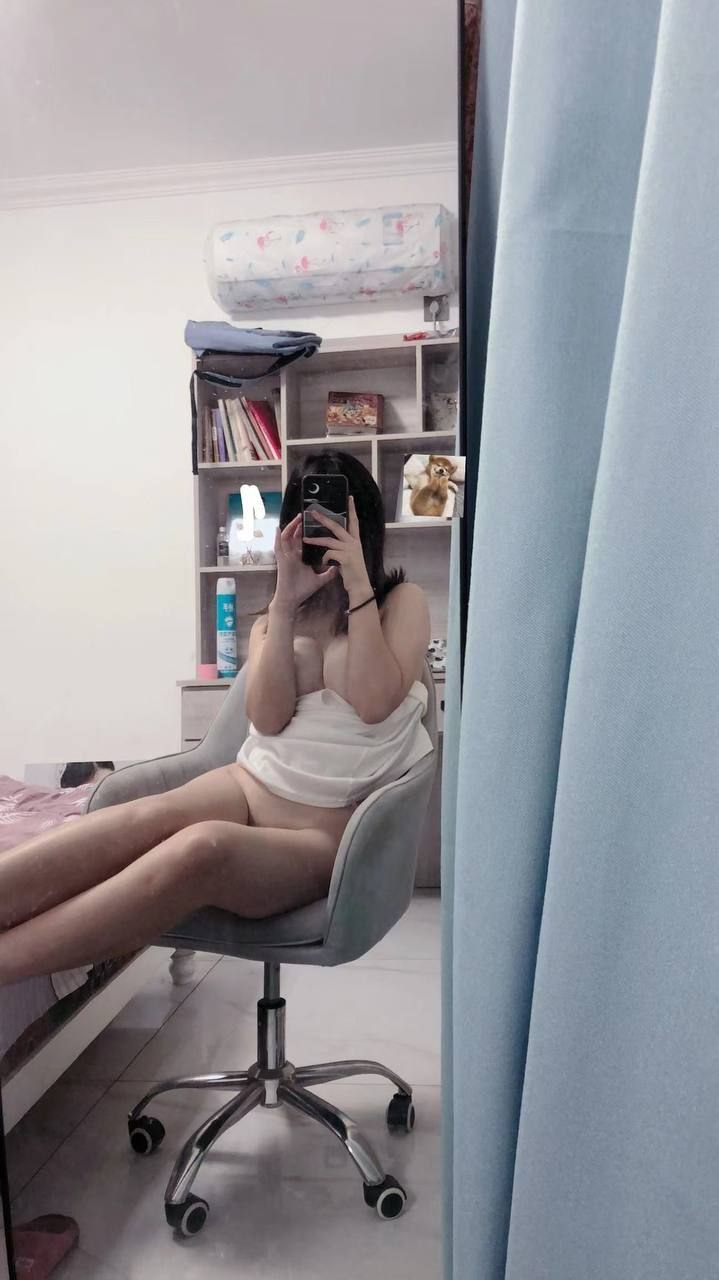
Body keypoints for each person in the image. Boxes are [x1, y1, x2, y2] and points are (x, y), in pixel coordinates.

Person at [0, 453, 432, 987]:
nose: (323, 528)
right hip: (245, 786)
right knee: (138, 818)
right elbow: (267, 718)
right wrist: (284, 602)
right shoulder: (276, 617)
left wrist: (359, 585)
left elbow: (373, 703)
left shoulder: (400, 603)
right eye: (309, 516)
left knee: (201, 848)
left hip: (322, 833)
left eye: (337, 515)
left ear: (362, 523)